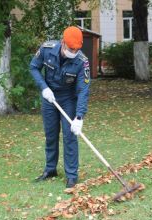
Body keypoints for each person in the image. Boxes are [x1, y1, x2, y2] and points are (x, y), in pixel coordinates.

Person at [30, 26, 91, 188]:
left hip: (68, 99)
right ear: (63, 42)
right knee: (50, 135)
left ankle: (72, 175)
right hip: (49, 97)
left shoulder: (82, 61)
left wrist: (79, 117)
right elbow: (34, 67)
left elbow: (83, 90)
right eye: (71, 48)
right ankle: (50, 169)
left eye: (77, 49)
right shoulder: (46, 49)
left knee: (70, 137)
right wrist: (43, 87)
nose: (74, 52)